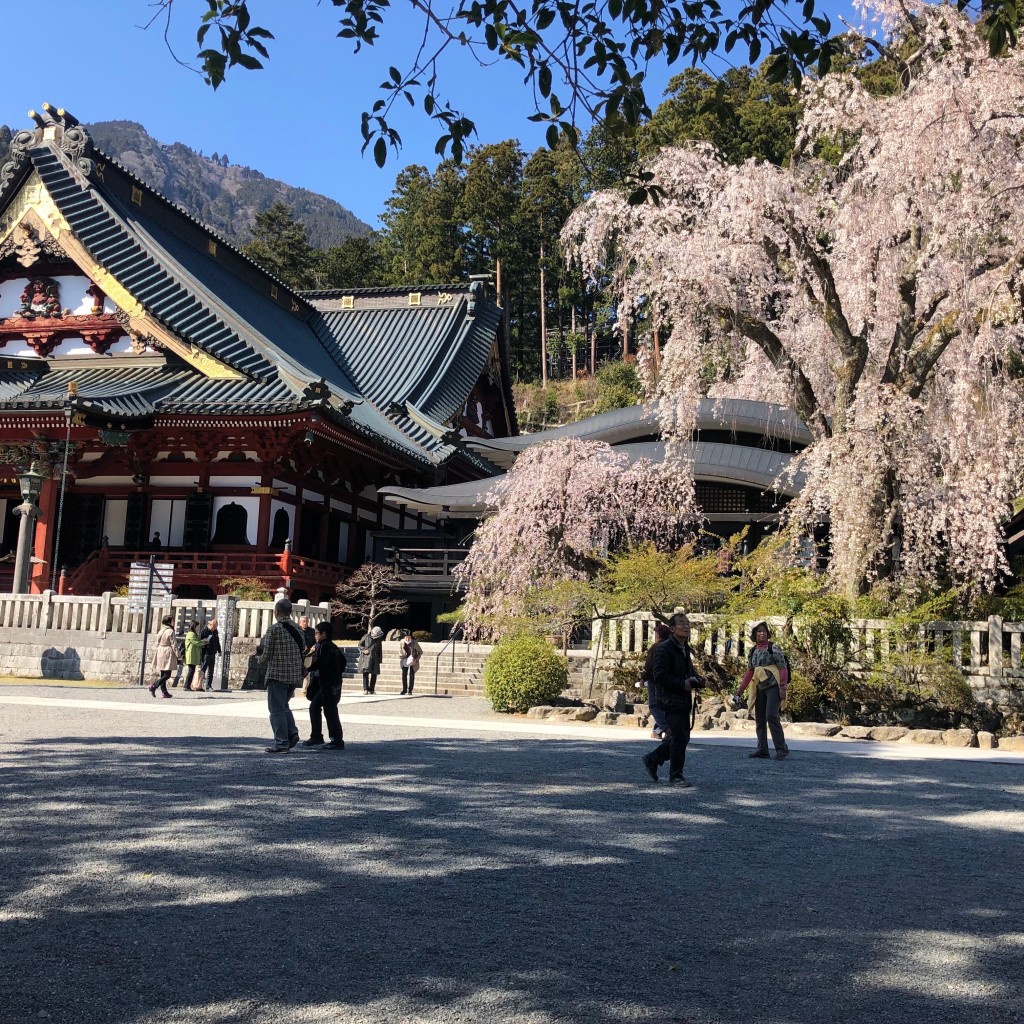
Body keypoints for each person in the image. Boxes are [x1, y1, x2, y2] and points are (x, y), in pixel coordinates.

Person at [641, 612, 701, 787]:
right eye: (681, 624)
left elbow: (688, 671)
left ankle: (653, 758)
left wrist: (698, 679)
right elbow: (659, 675)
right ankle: (676, 775)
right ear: (672, 629)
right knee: (678, 737)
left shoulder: (684, 648)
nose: (685, 626)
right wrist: (682, 684)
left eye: (687, 623)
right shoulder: (664, 648)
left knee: (681, 737)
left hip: (683, 698)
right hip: (670, 698)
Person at [734, 621, 791, 761]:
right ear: (754, 635)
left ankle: (781, 748)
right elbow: (750, 672)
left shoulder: (773, 648)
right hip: (760, 686)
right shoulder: (753, 651)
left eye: (764, 631)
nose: (762, 633)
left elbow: (783, 668)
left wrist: (783, 687)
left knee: (771, 715)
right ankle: (762, 750)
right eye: (759, 631)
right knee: (759, 718)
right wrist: (740, 690)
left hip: (773, 685)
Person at [257, 598, 306, 753]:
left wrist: (259, 660)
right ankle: (292, 732)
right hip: (294, 675)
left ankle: (281, 742)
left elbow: (267, 654)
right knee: (284, 707)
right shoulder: (299, 629)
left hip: (277, 674)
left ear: (276, 612)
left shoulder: (274, 629)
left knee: (276, 710)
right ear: (290, 612)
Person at [303, 621, 347, 749]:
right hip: (330, 683)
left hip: (329, 684)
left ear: (324, 634)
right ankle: (316, 736)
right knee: (315, 707)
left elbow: (322, 662)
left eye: (317, 633)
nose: (315, 635)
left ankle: (337, 740)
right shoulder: (332, 646)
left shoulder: (325, 646)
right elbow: (343, 661)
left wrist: (309, 669)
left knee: (330, 711)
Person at [641, 622, 671, 739]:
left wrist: (643, 678)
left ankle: (666, 728)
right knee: (665, 706)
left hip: (655, 679)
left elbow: (649, 665)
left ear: (659, 635)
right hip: (670, 680)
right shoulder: (672, 646)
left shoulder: (656, 647)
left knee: (654, 706)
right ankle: (657, 730)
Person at [148, 614, 177, 698]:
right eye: (173, 621)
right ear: (170, 622)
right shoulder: (170, 631)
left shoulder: (161, 630)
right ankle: (154, 686)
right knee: (167, 674)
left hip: (160, 651)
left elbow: (157, 641)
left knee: (163, 673)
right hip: (167, 651)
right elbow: (174, 644)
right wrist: (178, 655)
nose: (174, 622)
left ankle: (164, 692)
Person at [357, 624, 384, 694]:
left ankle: (372, 689)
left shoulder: (379, 639)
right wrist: (363, 650)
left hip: (375, 658)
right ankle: (365, 689)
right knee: (365, 673)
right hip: (366, 658)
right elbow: (360, 645)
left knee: (374, 674)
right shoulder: (366, 637)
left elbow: (379, 649)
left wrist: (380, 659)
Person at [399, 629, 423, 695]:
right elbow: (400, 651)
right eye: (406, 637)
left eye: (409, 637)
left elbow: (420, 652)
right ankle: (404, 689)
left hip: (413, 660)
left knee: (411, 675)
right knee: (404, 674)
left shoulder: (414, 642)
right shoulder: (402, 642)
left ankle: (410, 690)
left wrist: (416, 659)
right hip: (404, 659)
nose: (407, 638)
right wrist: (400, 655)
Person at [200, 618, 221, 691]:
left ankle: (208, 685)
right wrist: (205, 642)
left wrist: (219, 650)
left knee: (211, 671)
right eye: (213, 627)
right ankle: (199, 684)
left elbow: (217, 641)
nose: (214, 628)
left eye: (215, 627)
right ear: (210, 625)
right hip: (206, 653)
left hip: (213, 653)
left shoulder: (215, 632)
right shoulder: (204, 631)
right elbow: (200, 641)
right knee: (203, 669)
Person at [183, 620, 204, 691]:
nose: (198, 628)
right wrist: (203, 642)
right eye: (197, 626)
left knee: (192, 670)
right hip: (191, 654)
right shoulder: (191, 634)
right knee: (191, 671)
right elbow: (196, 642)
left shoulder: (194, 634)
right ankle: (186, 686)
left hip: (194, 654)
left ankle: (187, 686)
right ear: (194, 626)